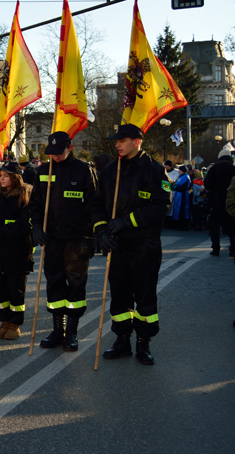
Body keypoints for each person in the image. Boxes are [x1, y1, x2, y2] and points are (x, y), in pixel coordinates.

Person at [92, 124, 170, 365]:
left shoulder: (155, 170)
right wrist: (101, 231)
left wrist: (126, 222)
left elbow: (161, 206)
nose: (117, 144)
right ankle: (122, 339)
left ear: (137, 141)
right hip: (117, 246)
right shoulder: (108, 171)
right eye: (116, 140)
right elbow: (96, 205)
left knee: (145, 295)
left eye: (122, 140)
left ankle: (143, 343)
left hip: (144, 245)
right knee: (120, 295)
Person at [29, 132, 97, 351]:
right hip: (53, 239)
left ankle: (72, 333)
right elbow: (35, 205)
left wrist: (90, 237)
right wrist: (37, 227)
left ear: (71, 147)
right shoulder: (43, 171)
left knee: (76, 286)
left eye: (59, 153)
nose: (55, 157)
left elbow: (94, 207)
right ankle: (58, 330)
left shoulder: (84, 171)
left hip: (77, 239)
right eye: (52, 153)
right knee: (54, 283)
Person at [0, 161, 33, 340]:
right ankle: (3, 322)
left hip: (17, 254)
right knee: (0, 292)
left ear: (15, 178)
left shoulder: (25, 197)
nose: (1, 179)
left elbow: (25, 226)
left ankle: (15, 324)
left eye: (5, 176)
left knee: (15, 291)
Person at [204, 149, 235, 256]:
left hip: (215, 203)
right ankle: (233, 249)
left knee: (214, 227)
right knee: (232, 228)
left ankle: (216, 248)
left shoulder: (214, 169)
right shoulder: (233, 169)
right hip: (231, 203)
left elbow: (207, 183)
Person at [170, 165, 192, 231]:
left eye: (179, 170)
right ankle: (178, 225)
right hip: (179, 195)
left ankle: (183, 226)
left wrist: (175, 188)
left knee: (182, 210)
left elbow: (183, 188)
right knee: (178, 210)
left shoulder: (185, 177)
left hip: (182, 197)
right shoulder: (181, 177)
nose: (178, 171)